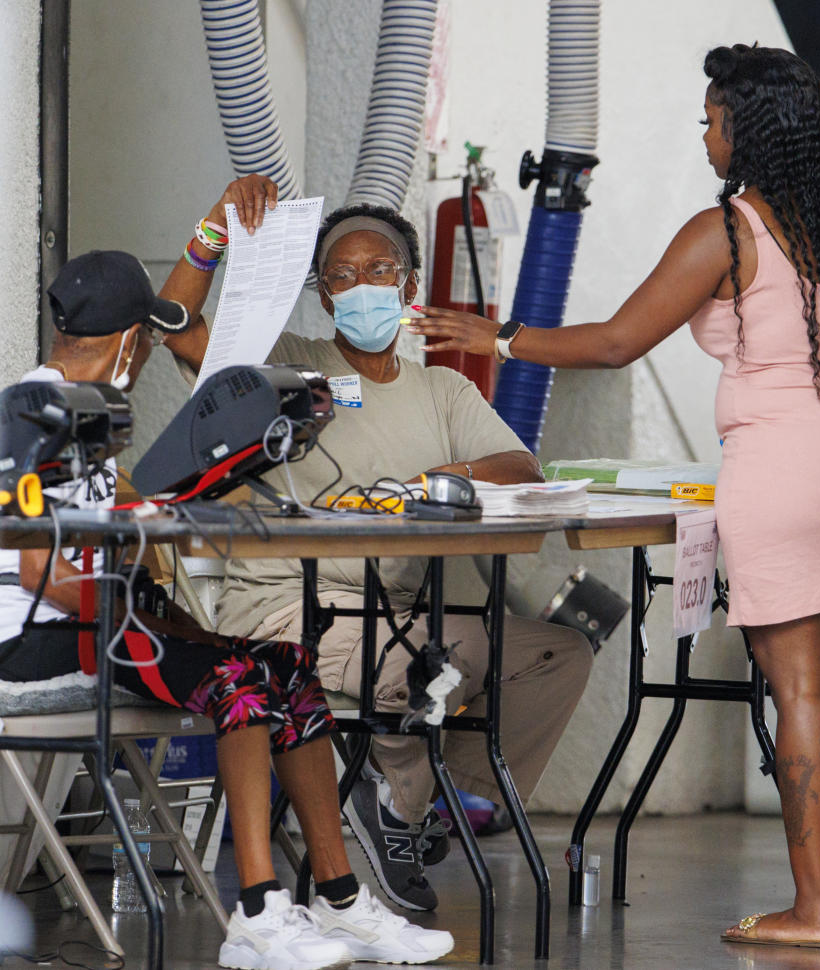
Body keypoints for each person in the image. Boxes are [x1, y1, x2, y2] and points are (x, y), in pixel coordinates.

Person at [412, 44, 820, 949]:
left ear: (748, 128)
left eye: (711, 118)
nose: (704, 134)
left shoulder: (728, 231)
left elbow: (620, 342)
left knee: (800, 689)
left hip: (784, 471)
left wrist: (501, 336)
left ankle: (814, 913)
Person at [0, 251, 454, 968]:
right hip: (31, 645)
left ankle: (340, 901)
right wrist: (140, 594)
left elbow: (103, 545)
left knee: (287, 668)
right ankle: (258, 916)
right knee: (239, 677)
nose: (147, 355)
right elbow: (43, 572)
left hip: (97, 625)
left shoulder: (88, 411)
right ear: (132, 338)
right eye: (148, 341)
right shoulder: (35, 410)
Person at [159, 176, 594, 913]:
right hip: (284, 606)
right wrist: (213, 230)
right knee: (440, 657)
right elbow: (178, 326)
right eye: (342, 276)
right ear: (324, 298)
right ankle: (394, 801)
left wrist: (436, 476)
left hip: (393, 606)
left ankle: (408, 804)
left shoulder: (442, 391)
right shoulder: (282, 367)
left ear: (410, 284)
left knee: (556, 654)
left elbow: (520, 470)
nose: (362, 286)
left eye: (380, 270)